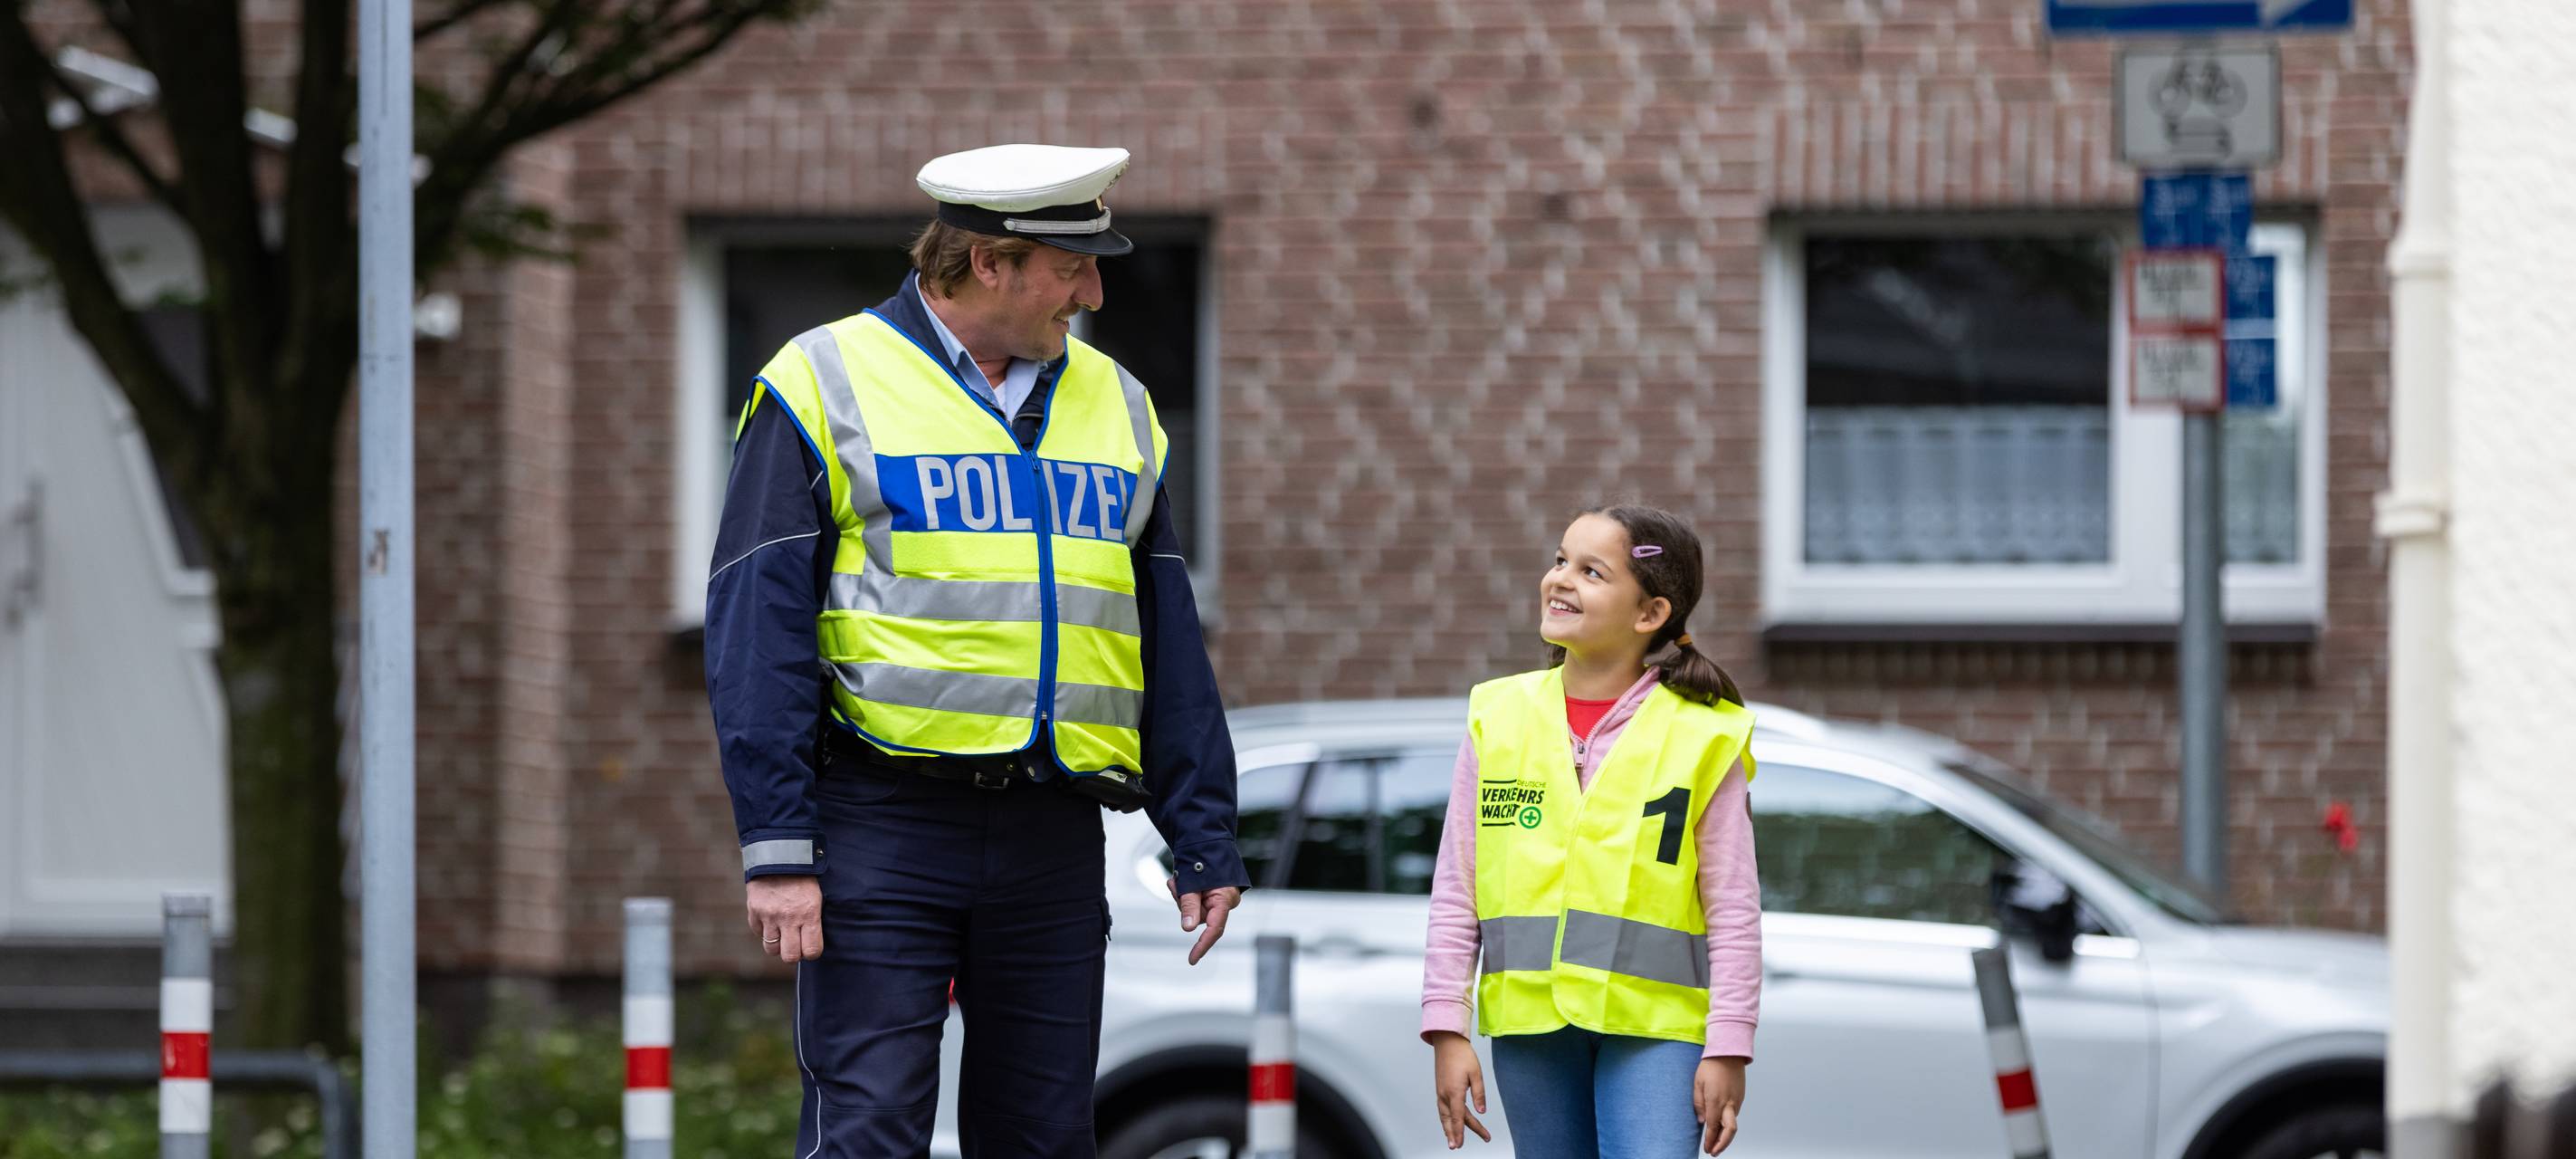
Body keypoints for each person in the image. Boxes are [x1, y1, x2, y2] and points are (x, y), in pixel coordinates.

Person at [702, 142, 1249, 1159]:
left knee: (1043, 1137)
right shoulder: (822, 379)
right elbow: (754, 623)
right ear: (987, 262)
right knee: (869, 1129)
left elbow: (1163, 630)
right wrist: (776, 844)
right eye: (1070, 268)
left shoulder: (1119, 402)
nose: (1090, 291)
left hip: (1052, 831)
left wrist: (1201, 824)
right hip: (882, 822)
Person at [1420, 503, 1762, 1157]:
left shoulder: (1705, 735)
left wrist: (1729, 1046)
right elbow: (1457, 887)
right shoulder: (1498, 715)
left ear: (1650, 615)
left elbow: (1734, 909)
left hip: (1658, 1029)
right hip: (1528, 1027)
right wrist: (1447, 1027)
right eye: (1559, 561)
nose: (1561, 579)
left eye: (1591, 571)